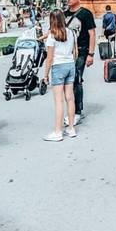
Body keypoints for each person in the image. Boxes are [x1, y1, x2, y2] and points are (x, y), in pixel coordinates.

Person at [43, 9, 77, 141]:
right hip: (70, 65)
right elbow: (75, 52)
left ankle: (57, 132)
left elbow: (49, 58)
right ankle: (71, 128)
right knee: (70, 98)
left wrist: (45, 75)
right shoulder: (71, 32)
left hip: (58, 66)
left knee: (58, 101)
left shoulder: (52, 35)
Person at [64, 0, 96, 125]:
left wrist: (91, 54)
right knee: (68, 82)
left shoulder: (86, 14)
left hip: (81, 51)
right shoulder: (63, 14)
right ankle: (72, 109)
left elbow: (92, 34)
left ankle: (77, 112)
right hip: (66, 53)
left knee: (76, 79)